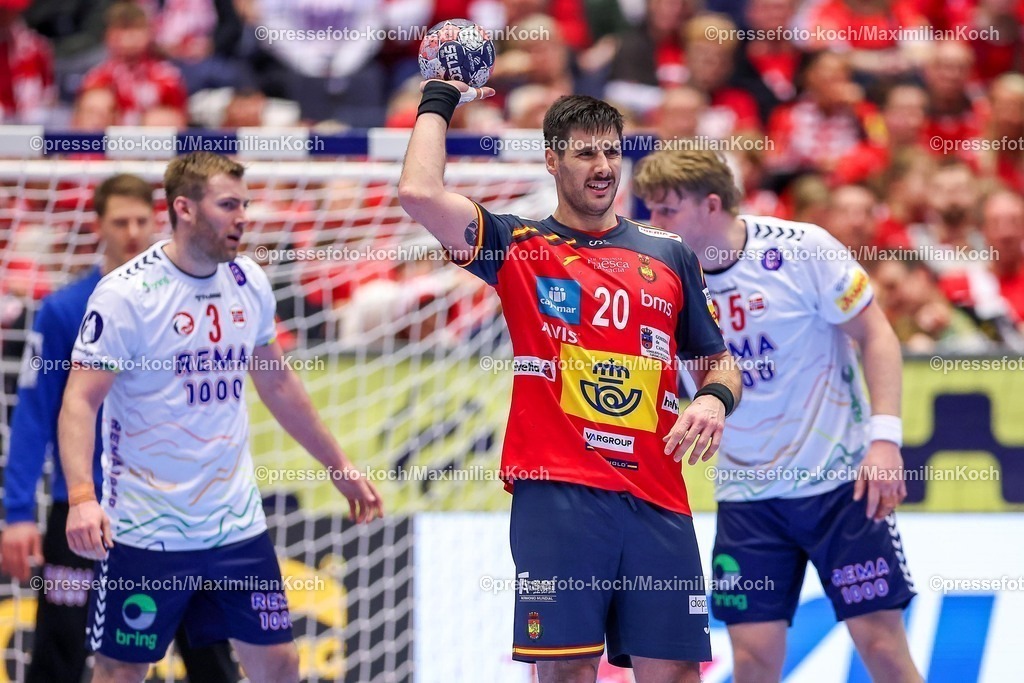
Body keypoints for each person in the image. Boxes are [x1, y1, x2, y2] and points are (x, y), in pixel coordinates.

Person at [398, 83, 741, 683]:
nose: (603, 167)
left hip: (657, 494)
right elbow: (420, 193)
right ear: (552, 159)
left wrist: (712, 400)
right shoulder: (520, 247)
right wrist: (439, 98)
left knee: (680, 673)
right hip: (559, 494)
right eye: (585, 153)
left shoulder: (668, 254)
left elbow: (720, 362)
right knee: (566, 672)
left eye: (611, 152)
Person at [58, 152, 383, 683]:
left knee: (280, 663)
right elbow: (80, 401)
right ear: (184, 209)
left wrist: (337, 463)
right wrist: (80, 498)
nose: (242, 218)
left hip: (234, 523)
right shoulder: (125, 295)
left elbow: (277, 382)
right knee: (121, 671)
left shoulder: (248, 281)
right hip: (146, 525)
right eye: (228, 205)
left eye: (244, 205)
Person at [633, 150, 922, 682]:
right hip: (748, 496)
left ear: (711, 204)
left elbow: (876, 335)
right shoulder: (662, 274)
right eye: (649, 210)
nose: (654, 224)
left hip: (839, 484)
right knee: (753, 658)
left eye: (666, 210)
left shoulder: (802, 249)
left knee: (881, 646)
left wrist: (885, 441)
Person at [1, 174, 239, 683]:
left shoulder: (184, 298)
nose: (132, 231)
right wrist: (18, 511)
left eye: (140, 220)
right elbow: (35, 412)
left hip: (173, 509)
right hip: (83, 511)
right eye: (119, 221)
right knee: (60, 652)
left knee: (208, 654)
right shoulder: (65, 309)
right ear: (97, 227)